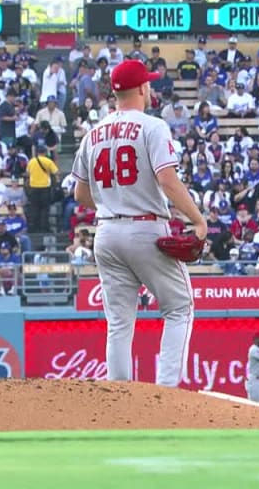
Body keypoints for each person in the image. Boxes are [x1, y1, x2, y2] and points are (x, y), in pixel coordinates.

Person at [71, 59, 207, 388]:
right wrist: (197, 220)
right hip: (145, 229)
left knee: (119, 322)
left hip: (105, 233)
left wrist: (113, 202)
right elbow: (168, 181)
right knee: (179, 307)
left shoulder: (93, 132)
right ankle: (166, 392)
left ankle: (120, 398)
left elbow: (79, 193)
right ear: (143, 88)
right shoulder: (152, 126)